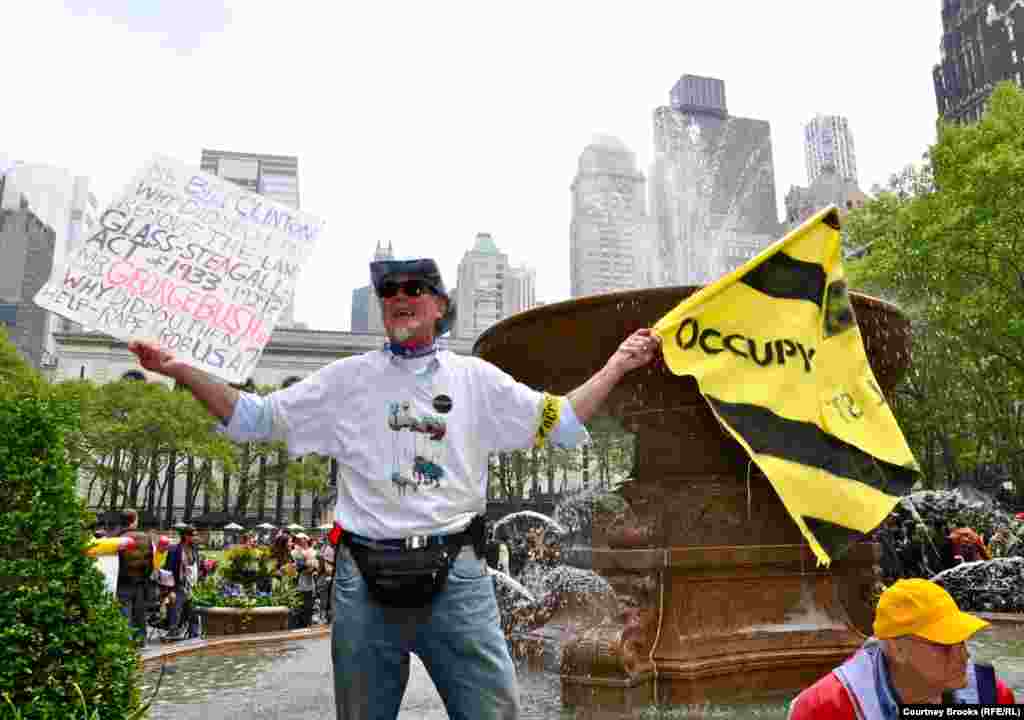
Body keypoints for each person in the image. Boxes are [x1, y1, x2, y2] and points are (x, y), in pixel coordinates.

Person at [128, 256, 661, 720]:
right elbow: (252, 417)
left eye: (414, 289)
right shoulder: (347, 380)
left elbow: (562, 421)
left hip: (457, 575)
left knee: (493, 712)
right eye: (388, 291)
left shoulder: (476, 379)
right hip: (363, 581)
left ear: (438, 306)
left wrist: (619, 363)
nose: (399, 298)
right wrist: (180, 369)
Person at [787, 578, 1015, 719]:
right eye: (944, 644)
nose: (964, 655)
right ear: (897, 649)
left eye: (962, 640)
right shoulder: (824, 710)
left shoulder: (991, 695)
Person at [113, 509, 154, 647]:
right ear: (134, 520)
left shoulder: (115, 538)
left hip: (122, 582)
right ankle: (141, 642)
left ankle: (125, 644)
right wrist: (145, 577)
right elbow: (150, 562)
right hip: (140, 582)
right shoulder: (146, 537)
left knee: (124, 615)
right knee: (139, 614)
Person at [164, 524, 202, 640]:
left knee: (194, 612)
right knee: (175, 611)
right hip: (177, 586)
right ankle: (173, 633)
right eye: (194, 535)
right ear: (186, 536)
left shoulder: (194, 549)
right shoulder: (174, 550)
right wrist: (170, 590)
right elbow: (168, 570)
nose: (196, 537)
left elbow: (196, 567)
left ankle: (194, 635)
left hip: (192, 586)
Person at [291, 533, 317, 628]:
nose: (301, 541)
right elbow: (296, 567)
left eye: (303, 539)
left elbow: (314, 566)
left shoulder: (312, 551)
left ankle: (306, 623)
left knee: (308, 605)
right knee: (299, 605)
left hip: (309, 583)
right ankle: (299, 623)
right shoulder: (294, 552)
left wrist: (312, 567)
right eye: (299, 539)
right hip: (299, 583)